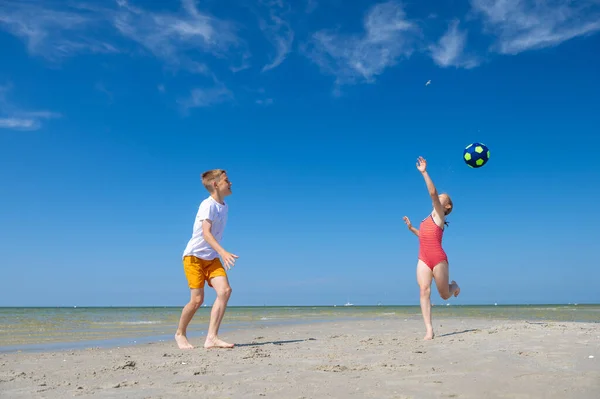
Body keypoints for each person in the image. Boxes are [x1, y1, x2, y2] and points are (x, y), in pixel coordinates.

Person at [175, 169, 239, 350]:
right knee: (197, 300)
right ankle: (180, 333)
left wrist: (218, 253)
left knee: (225, 291)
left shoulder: (224, 206)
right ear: (215, 184)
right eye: (227, 180)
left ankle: (211, 338)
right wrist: (223, 252)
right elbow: (206, 233)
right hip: (194, 257)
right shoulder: (207, 205)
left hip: (211, 257)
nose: (231, 183)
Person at [403, 157, 460, 340]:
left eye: (442, 198)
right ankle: (429, 329)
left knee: (444, 295)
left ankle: (454, 286)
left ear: (447, 206)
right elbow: (425, 236)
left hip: (438, 258)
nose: (438, 197)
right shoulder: (428, 218)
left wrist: (424, 172)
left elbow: (433, 193)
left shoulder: (440, 216)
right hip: (423, 257)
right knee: (424, 290)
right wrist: (412, 228)